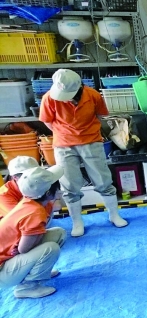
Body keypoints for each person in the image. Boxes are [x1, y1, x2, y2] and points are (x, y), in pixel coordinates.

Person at [39, 69, 127, 237]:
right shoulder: (49, 98)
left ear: (78, 88)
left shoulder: (93, 95)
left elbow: (101, 115)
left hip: (91, 141)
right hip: (63, 144)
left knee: (102, 179)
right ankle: (77, 222)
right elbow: (47, 122)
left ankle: (114, 215)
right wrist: (64, 133)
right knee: (69, 184)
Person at [0, 166, 66, 299]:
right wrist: (21, 246)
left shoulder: (29, 201)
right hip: (3, 272)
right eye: (57, 187)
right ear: (48, 193)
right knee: (50, 249)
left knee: (58, 233)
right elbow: (23, 249)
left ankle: (39, 272)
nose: (60, 190)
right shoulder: (35, 213)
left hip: (8, 259)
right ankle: (26, 287)